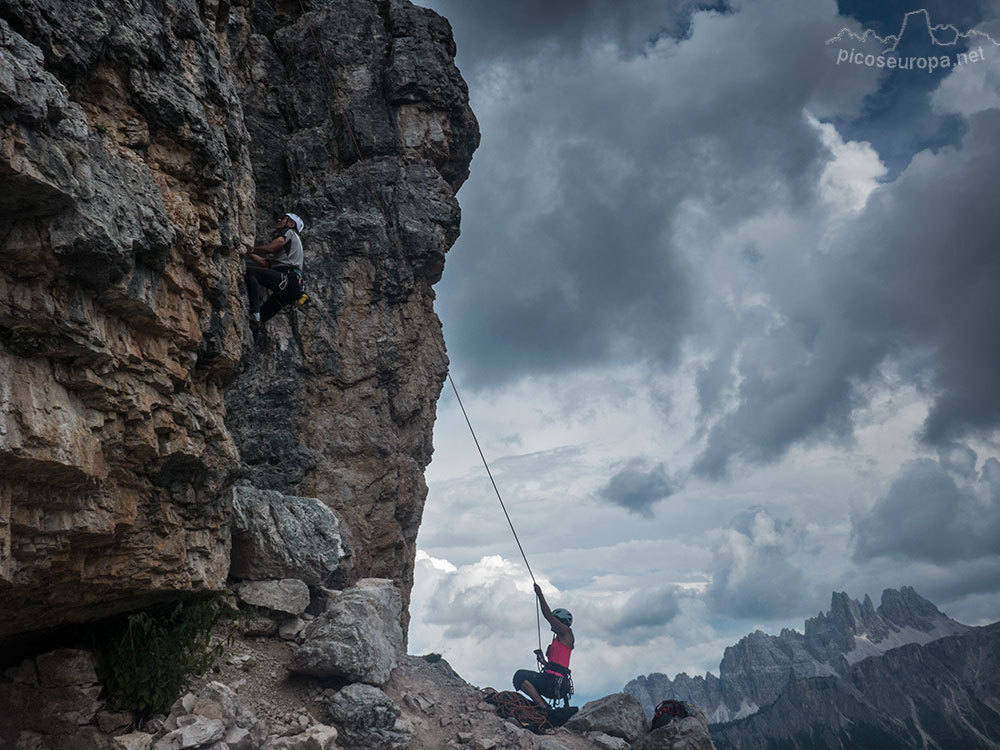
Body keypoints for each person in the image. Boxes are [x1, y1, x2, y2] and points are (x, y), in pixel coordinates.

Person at [512, 583, 574, 708]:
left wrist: (540, 594)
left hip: (554, 682)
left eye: (555, 620)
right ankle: (544, 707)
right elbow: (558, 666)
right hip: (556, 683)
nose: (552, 624)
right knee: (523, 677)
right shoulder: (560, 639)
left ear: (560, 621)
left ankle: (542, 707)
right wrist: (544, 662)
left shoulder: (566, 633)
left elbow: (548, 616)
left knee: (520, 676)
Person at [245, 212, 306, 327]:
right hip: (293, 289)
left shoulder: (289, 232)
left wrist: (250, 248)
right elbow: (265, 264)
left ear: (291, 223)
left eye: (283, 218)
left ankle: (255, 311)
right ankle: (256, 320)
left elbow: (270, 248)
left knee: (250, 272)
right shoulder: (291, 248)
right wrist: (247, 252)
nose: (279, 220)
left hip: (288, 278)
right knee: (256, 323)